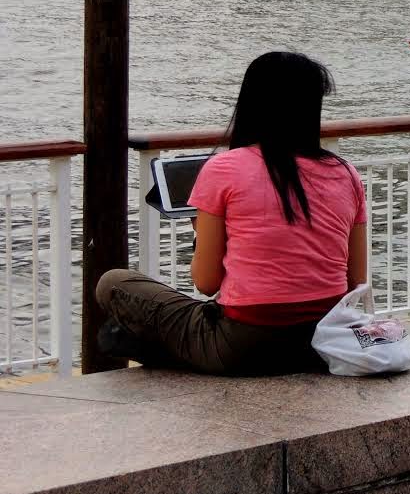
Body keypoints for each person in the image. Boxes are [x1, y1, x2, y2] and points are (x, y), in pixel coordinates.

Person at [95, 52, 368, 375]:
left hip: (242, 347)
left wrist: (202, 235)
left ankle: (143, 347)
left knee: (113, 283)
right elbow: (356, 281)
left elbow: (206, 282)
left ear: (251, 102)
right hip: (322, 344)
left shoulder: (224, 168)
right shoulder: (345, 173)